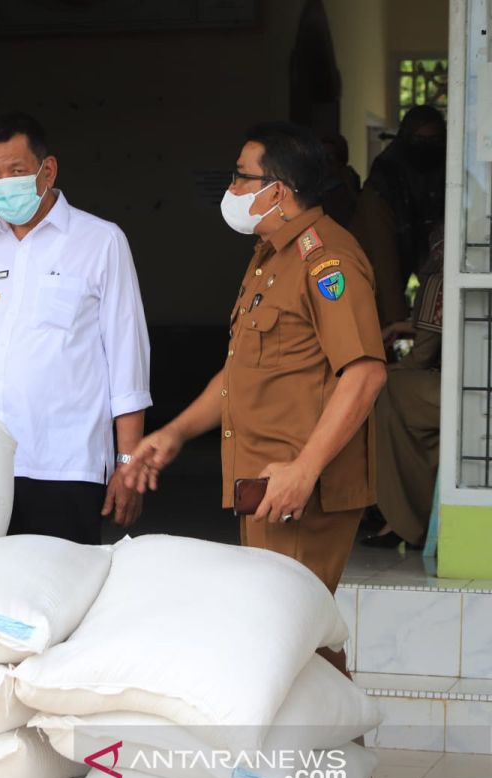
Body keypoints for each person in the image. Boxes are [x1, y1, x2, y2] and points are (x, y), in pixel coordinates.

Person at [122, 122, 386, 675]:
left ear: (280, 190)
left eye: (241, 177)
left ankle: (323, 760)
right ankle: (332, 760)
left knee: (292, 639)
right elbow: (240, 374)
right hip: (265, 485)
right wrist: (176, 432)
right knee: (295, 639)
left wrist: (305, 469)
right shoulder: (270, 255)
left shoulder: (326, 259)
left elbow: (363, 374)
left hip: (299, 488)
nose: (232, 189)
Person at [0, 112, 151, 545]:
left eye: (16, 171)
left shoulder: (100, 241)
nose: (3, 183)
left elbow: (127, 359)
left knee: (58, 595)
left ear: (48, 169)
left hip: (64, 467)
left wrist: (128, 461)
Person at [366, 225, 444, 549]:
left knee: (380, 389)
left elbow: (422, 356)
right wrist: (402, 326)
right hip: (472, 387)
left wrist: (383, 367)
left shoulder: (439, 275)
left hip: (458, 390)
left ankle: (397, 514)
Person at [349, 105, 446, 328]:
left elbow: (431, 251)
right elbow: (383, 255)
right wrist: (397, 317)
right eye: (420, 139)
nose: (427, 148)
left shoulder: (440, 181)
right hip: (368, 283)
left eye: (435, 140)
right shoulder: (384, 182)